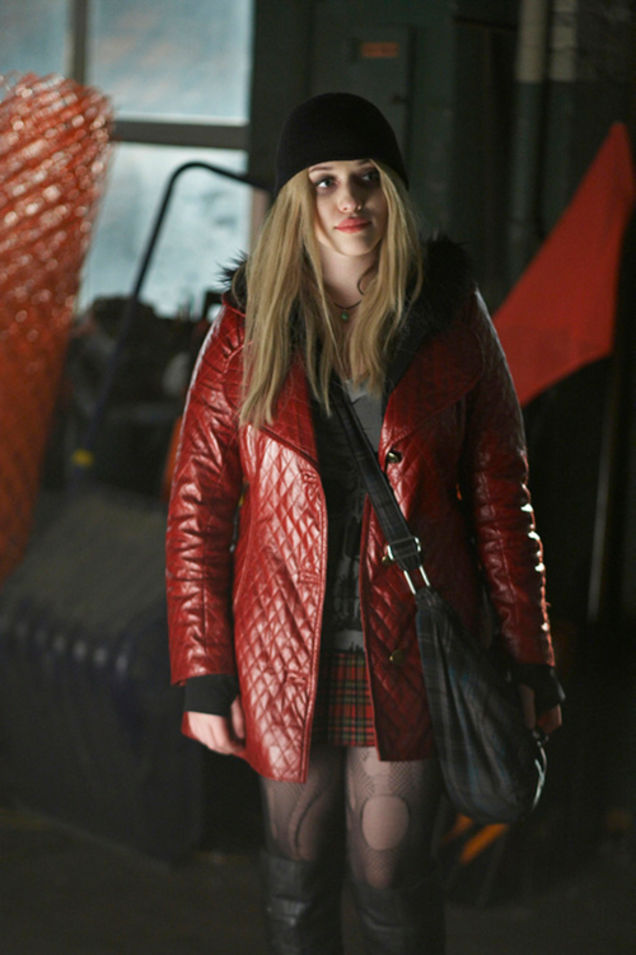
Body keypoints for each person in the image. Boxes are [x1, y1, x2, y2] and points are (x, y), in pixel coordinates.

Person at [166, 92, 563, 954]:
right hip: (282, 647)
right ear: (295, 200)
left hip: (411, 643)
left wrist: (531, 655)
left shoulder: (450, 316)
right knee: (296, 869)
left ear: (394, 189)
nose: (349, 199)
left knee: (390, 874)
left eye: (367, 177)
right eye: (323, 181)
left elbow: (502, 496)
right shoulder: (246, 326)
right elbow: (198, 502)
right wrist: (203, 668)